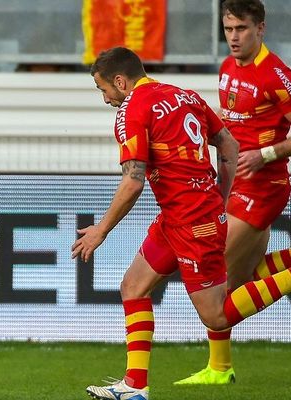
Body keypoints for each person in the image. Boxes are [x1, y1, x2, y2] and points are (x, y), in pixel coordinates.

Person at [73, 46, 291, 400]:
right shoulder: (183, 95)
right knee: (133, 286)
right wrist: (219, 196)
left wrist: (101, 230)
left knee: (217, 317)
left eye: (104, 90)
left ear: (119, 81)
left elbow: (132, 181)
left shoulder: (132, 111)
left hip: (191, 222)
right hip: (179, 217)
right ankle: (135, 387)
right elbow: (229, 146)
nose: (106, 99)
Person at [174, 0, 291, 385]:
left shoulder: (275, 74)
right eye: (228, 29)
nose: (234, 37)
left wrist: (266, 154)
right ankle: (220, 368)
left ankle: (220, 366)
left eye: (241, 28)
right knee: (232, 285)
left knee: (214, 271)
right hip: (237, 183)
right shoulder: (226, 68)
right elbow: (230, 123)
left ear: (260, 28)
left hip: (264, 187)